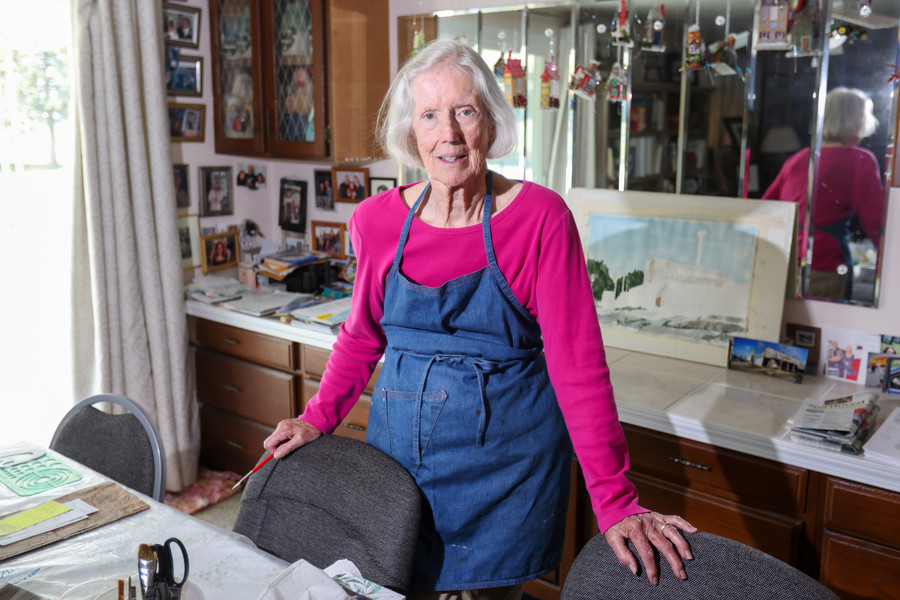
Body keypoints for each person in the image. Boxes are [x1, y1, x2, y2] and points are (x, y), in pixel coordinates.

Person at [263, 39, 695, 599]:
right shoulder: (376, 221)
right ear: (411, 132)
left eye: (465, 111)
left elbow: (577, 367)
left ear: (489, 122)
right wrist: (317, 417)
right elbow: (362, 336)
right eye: (430, 115)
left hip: (506, 475)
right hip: (400, 467)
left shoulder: (540, 218)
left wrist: (614, 501)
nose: (449, 133)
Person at [762, 87, 885, 300]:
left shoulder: (800, 158)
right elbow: (877, 224)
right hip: (825, 268)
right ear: (856, 122)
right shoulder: (860, 160)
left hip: (783, 265)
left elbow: (765, 209)